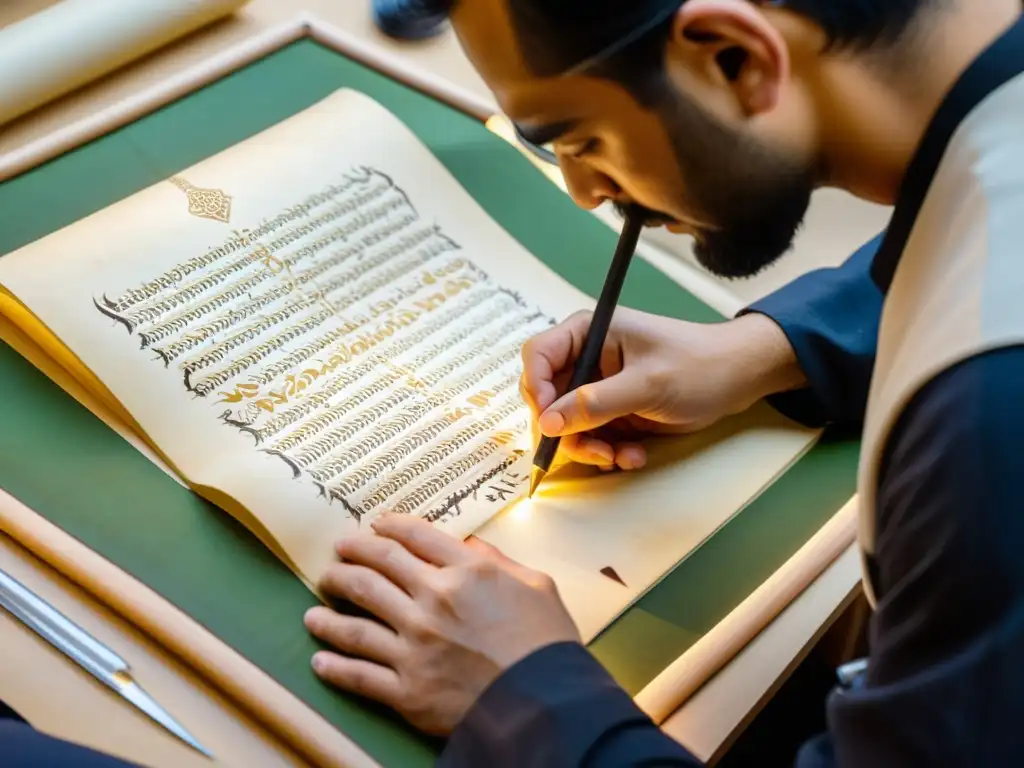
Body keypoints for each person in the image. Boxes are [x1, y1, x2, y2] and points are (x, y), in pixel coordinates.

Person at [298, 0, 1024, 765]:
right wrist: (766, 350)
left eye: (581, 139)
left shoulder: (984, 432)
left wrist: (526, 701)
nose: (583, 191)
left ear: (733, 58)